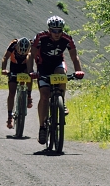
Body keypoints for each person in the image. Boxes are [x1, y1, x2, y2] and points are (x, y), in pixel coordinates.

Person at [25, 16, 84, 145]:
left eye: (59, 31)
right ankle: (42, 127)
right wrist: (30, 71)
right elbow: (31, 54)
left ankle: (62, 100)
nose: (57, 34)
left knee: (62, 74)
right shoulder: (40, 37)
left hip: (57, 64)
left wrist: (78, 71)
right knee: (45, 95)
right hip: (43, 66)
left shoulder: (67, 38)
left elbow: (74, 57)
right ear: (49, 30)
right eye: (54, 31)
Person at [0, 37, 34, 129]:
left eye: (24, 53)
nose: (21, 54)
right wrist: (3, 69)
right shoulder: (13, 44)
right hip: (14, 67)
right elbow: (5, 57)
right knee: (12, 93)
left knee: (30, 75)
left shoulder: (32, 45)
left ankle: (29, 95)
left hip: (25, 66)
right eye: (19, 52)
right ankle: (10, 116)